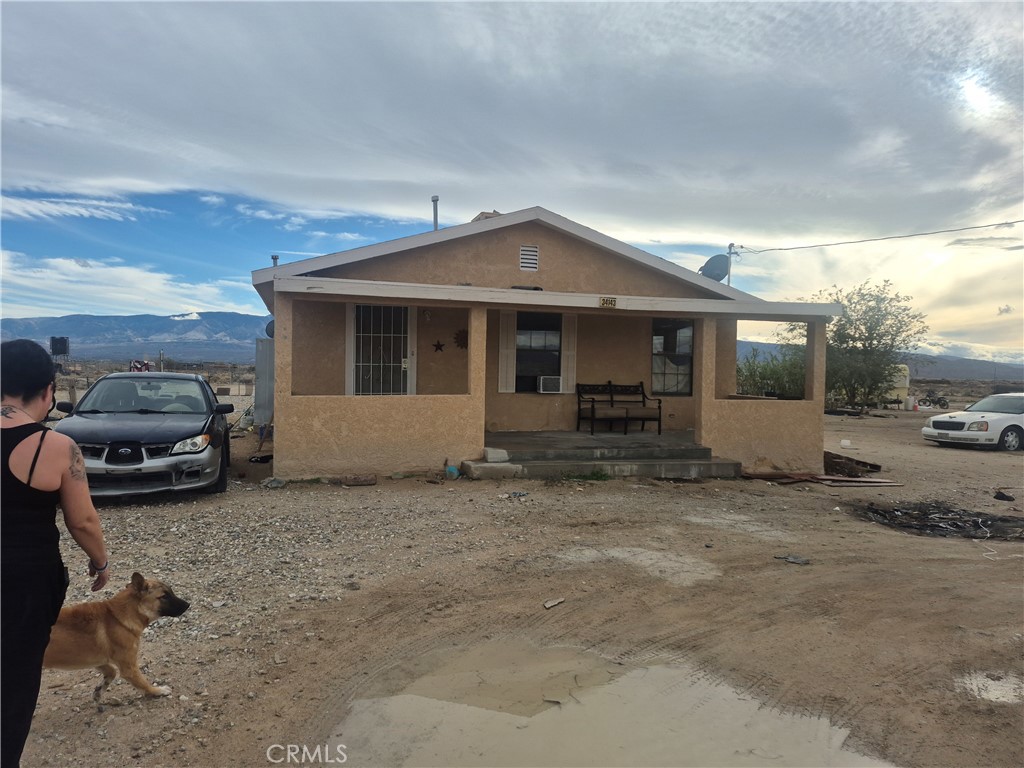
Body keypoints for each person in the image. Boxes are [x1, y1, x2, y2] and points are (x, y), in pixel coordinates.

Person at [1, 339, 110, 767]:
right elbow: (82, 521)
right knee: (15, 678)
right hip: (26, 582)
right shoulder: (58, 447)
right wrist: (99, 562)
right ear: (47, 390)